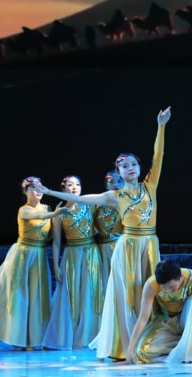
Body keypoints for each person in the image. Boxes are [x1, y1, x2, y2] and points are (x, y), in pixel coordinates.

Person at [35, 107, 170, 360]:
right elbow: (80, 198)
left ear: (139, 167)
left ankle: (151, 343)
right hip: (128, 247)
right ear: (118, 172)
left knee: (153, 293)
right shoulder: (114, 196)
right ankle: (124, 346)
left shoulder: (150, 185)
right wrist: (50, 192)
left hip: (150, 244)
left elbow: (158, 154)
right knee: (129, 295)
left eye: (133, 164)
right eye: (124, 166)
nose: (130, 168)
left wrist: (161, 127)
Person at [0, 178, 67, 349]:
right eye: (32, 188)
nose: (37, 191)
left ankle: (33, 339)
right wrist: (55, 214)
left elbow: (53, 235)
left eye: (39, 187)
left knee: (37, 296)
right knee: (21, 296)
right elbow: (38, 216)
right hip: (23, 255)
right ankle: (19, 338)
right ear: (25, 192)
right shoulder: (24, 210)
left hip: (39, 255)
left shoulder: (47, 208)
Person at [43, 176, 104, 349]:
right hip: (71, 254)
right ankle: (70, 335)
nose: (74, 187)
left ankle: (89, 336)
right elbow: (56, 241)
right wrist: (56, 266)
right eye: (70, 185)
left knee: (89, 292)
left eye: (77, 184)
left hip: (90, 253)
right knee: (71, 295)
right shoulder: (60, 212)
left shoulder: (90, 205)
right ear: (63, 189)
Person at [92, 171, 123, 283]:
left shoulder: (127, 203)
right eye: (111, 181)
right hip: (103, 248)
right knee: (105, 281)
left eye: (119, 181)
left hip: (121, 246)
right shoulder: (98, 205)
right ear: (106, 185)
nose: (116, 184)